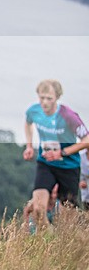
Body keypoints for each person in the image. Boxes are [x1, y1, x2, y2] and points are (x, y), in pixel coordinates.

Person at [23, 79, 89, 229]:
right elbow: (27, 123)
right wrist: (29, 146)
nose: (44, 102)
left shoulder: (68, 116)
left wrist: (63, 152)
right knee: (39, 210)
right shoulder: (34, 111)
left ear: (57, 97)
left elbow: (86, 139)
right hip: (46, 163)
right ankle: (46, 241)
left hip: (69, 166)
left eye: (49, 98)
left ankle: (64, 247)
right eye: (41, 97)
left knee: (67, 221)